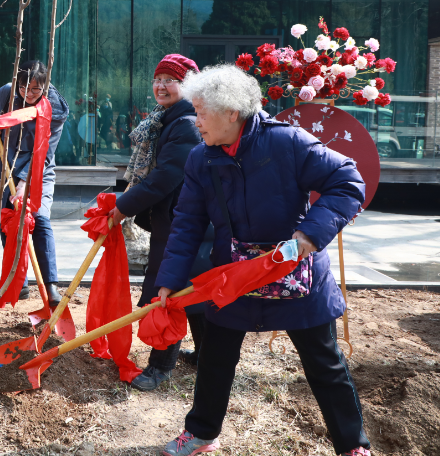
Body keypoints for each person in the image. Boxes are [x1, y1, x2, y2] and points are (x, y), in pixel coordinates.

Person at [154, 64, 370, 456]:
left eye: (202, 112)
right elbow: (186, 223)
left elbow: (348, 182)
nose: (195, 121)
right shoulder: (201, 159)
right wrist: (168, 280)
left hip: (297, 272)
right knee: (215, 358)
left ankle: (353, 445)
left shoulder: (287, 142)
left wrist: (308, 236)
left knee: (325, 364)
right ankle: (202, 432)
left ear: (231, 113)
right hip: (234, 276)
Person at [108, 54, 204, 392]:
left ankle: (160, 367)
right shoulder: (167, 118)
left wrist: (123, 208)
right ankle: (206, 354)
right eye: (158, 78)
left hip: (184, 222)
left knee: (169, 290)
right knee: (195, 290)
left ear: (189, 84)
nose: (161, 85)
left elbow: (165, 177)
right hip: (179, 220)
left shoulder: (187, 122)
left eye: (171, 79)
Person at [0, 60, 69, 304]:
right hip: (5, 165)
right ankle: (18, 281)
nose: (29, 93)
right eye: (24, 88)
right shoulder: (7, 92)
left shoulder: (54, 108)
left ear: (45, 86)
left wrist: (26, 181)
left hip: (38, 168)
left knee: (40, 219)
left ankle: (50, 285)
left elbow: (44, 151)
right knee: (6, 218)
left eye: (36, 89)